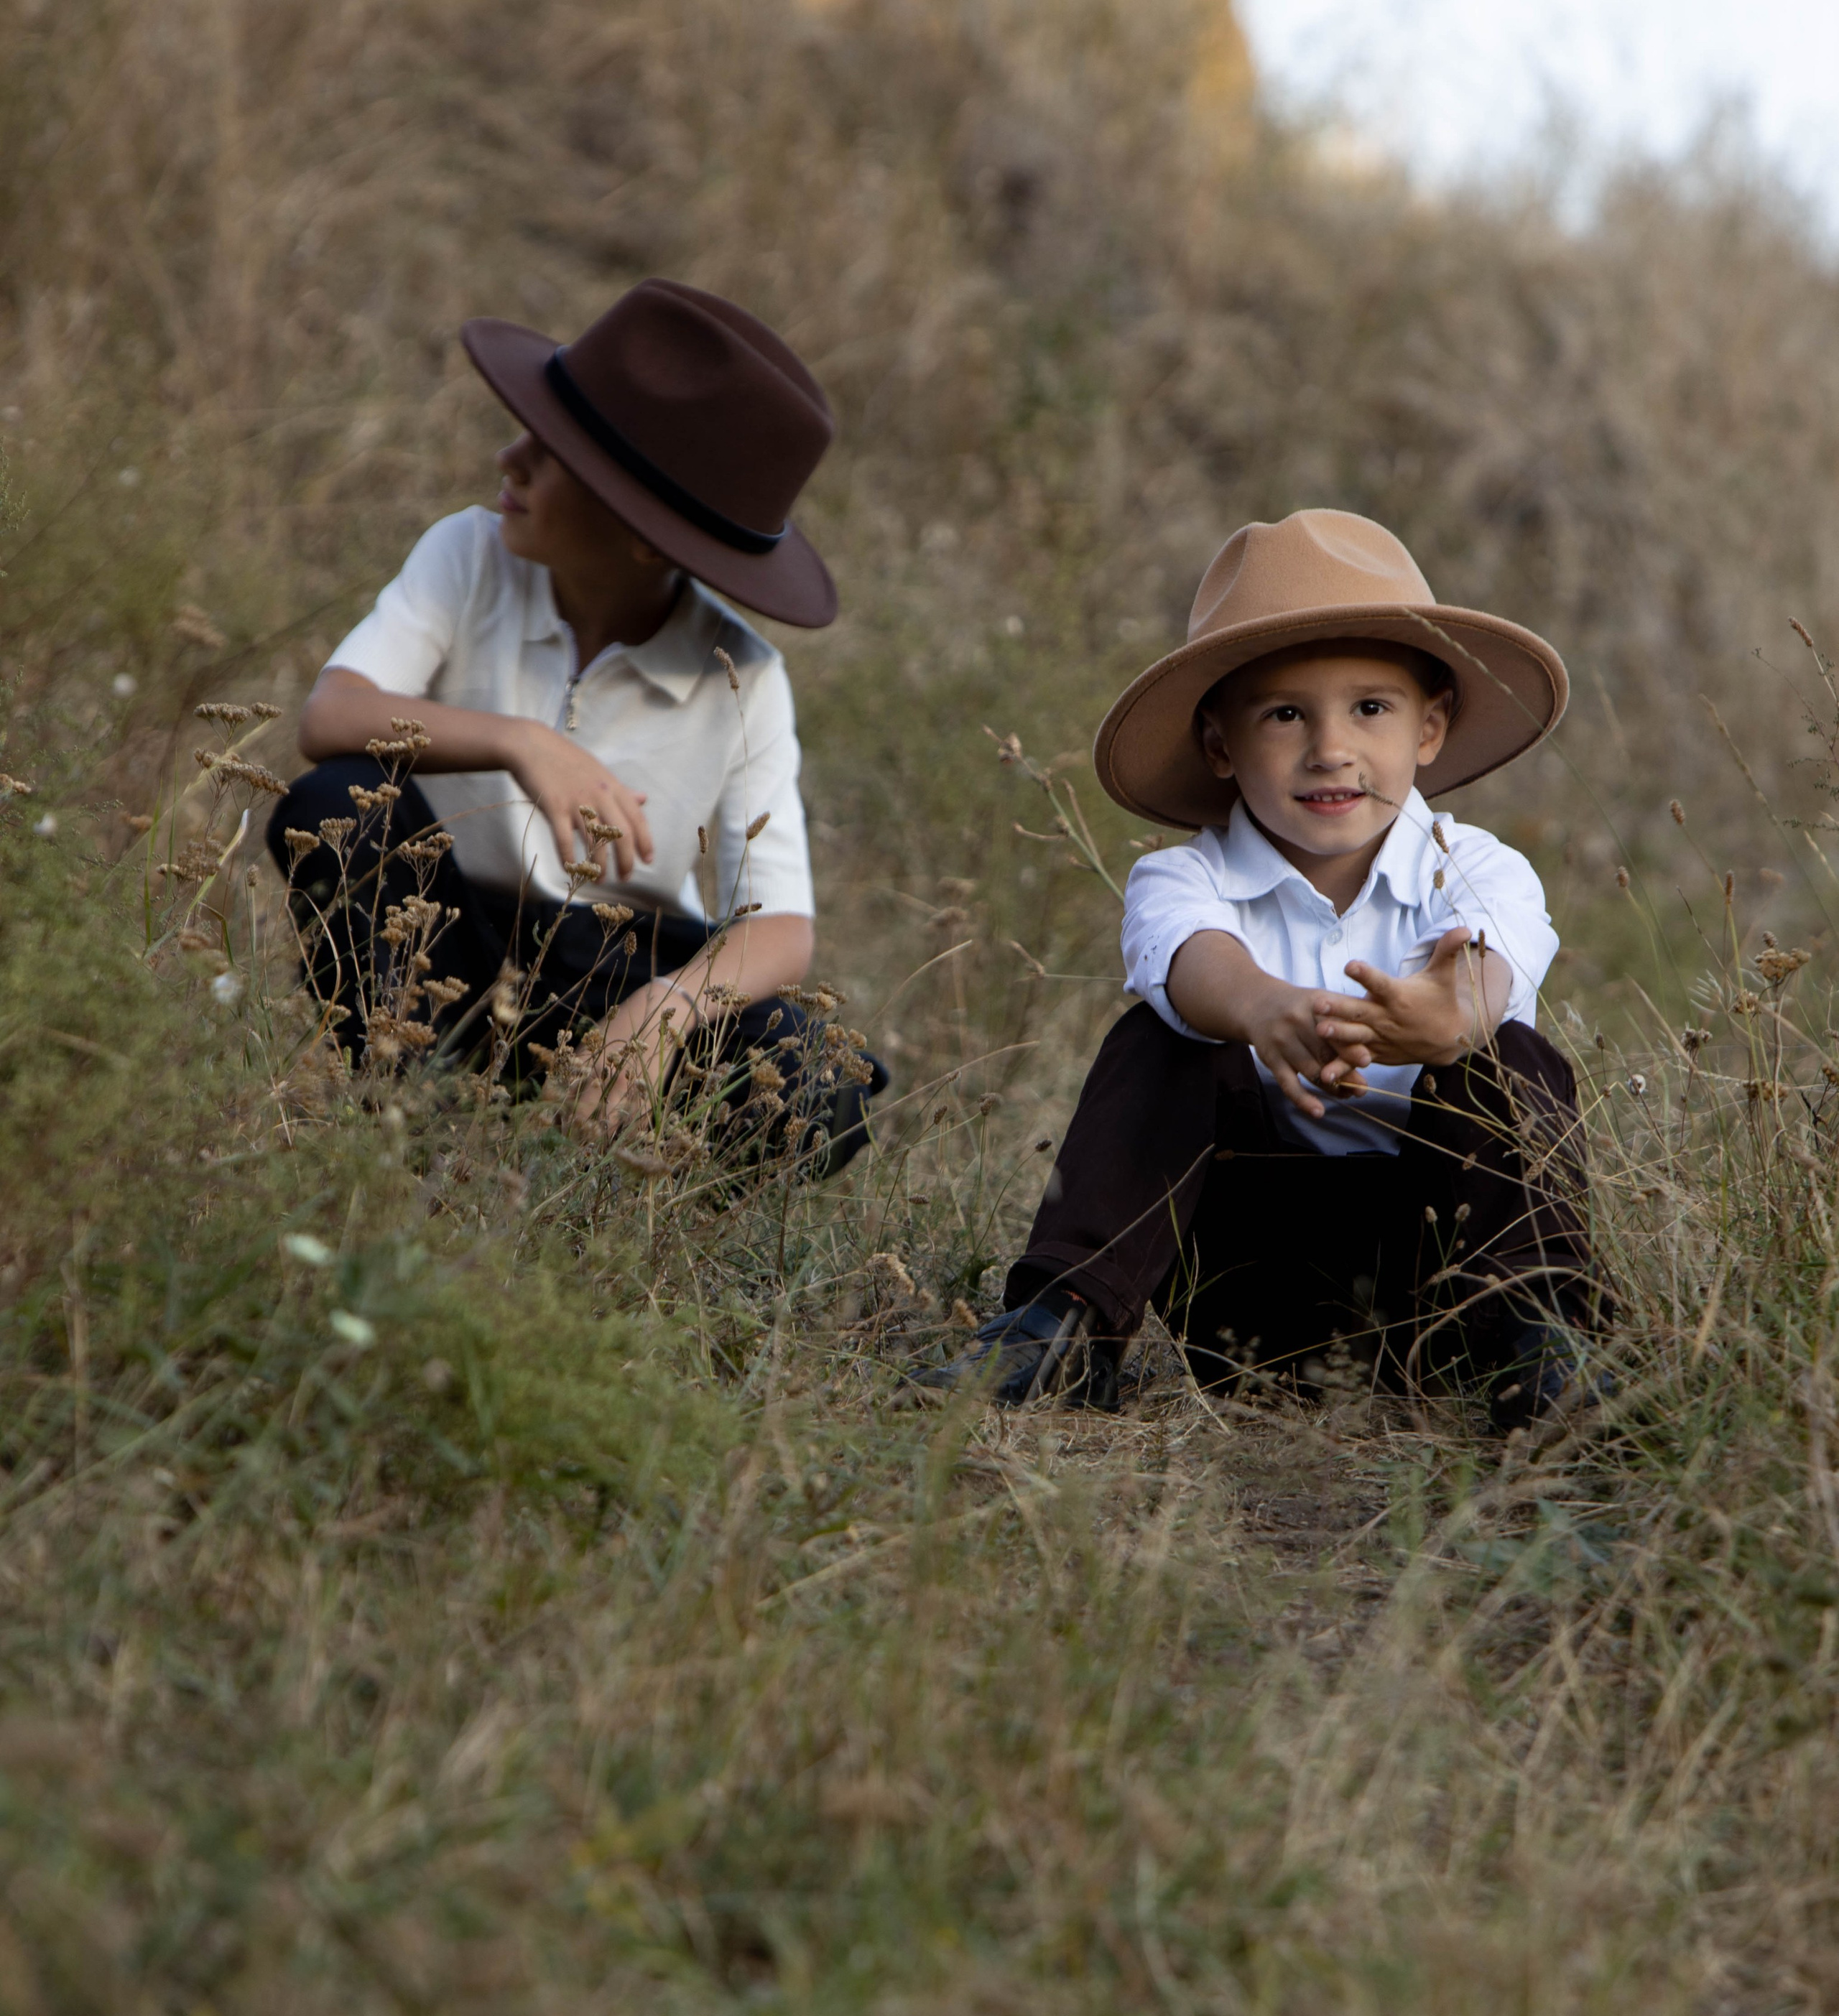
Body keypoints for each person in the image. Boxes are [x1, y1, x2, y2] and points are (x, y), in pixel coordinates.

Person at [925, 508, 1605, 1426]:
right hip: (1252, 1290)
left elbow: (1487, 971)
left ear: (1430, 729)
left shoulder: (1474, 866)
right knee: (1163, 1037)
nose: (1331, 748)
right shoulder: (1184, 875)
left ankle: (1540, 1337)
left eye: (1371, 708)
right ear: (1220, 745)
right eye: (1285, 714)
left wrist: (1442, 1019)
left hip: (1440, 1275)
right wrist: (1262, 1008)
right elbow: (1191, 959)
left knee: (1509, 1059)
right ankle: (1067, 1318)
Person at [268, 277, 884, 1166]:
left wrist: (665, 1011)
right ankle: (407, 1118)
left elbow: (781, 926)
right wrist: (523, 743)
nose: (507, 458)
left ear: (646, 537)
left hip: (618, 972)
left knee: (815, 1080)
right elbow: (332, 715)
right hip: (441, 929)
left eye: (549, 453)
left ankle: (617, 1173)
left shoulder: (743, 672)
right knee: (337, 802)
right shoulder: (468, 554)